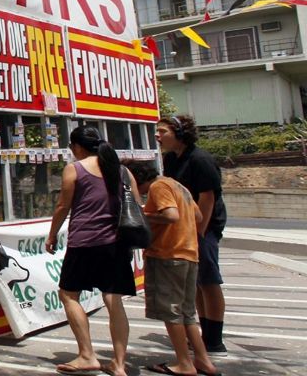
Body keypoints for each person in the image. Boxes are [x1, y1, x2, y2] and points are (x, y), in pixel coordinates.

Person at [45, 125, 137, 376]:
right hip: (116, 244)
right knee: (113, 299)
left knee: (68, 294)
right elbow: (136, 205)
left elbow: (63, 206)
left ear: (77, 147)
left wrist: (52, 235)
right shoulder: (123, 171)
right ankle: (119, 364)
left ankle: (87, 355)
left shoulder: (74, 169)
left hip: (84, 243)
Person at [127, 161, 220, 376]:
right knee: (187, 312)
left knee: (171, 312)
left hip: (167, 255)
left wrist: (141, 215)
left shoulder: (158, 187)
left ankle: (184, 364)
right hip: (189, 253)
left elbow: (171, 215)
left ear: (138, 179)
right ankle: (203, 360)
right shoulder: (179, 186)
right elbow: (196, 216)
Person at [159, 115, 228, 354]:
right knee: (195, 283)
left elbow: (207, 198)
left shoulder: (201, 159)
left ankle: (215, 339)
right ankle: (204, 333)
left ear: (179, 133)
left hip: (205, 227)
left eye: (163, 131)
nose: (158, 136)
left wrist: (198, 232)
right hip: (186, 227)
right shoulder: (170, 159)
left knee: (209, 280)